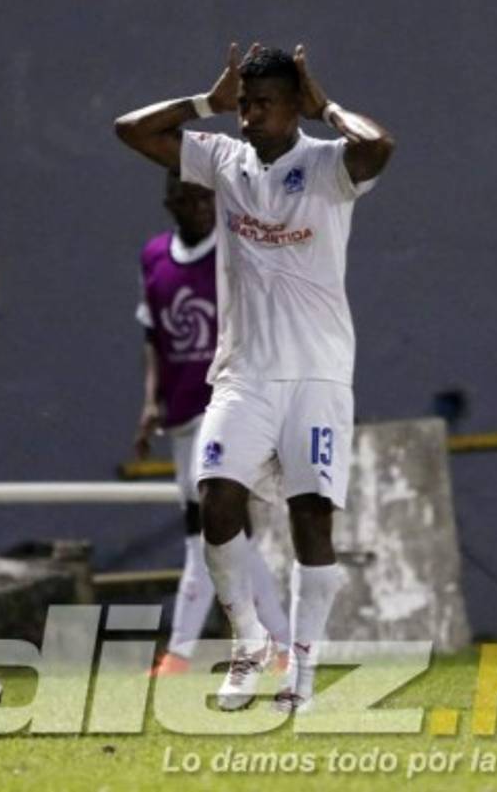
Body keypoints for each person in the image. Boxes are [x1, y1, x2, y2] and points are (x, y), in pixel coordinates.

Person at [115, 42, 393, 711]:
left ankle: (300, 671)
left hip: (320, 376)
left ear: (294, 105)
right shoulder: (223, 158)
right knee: (215, 499)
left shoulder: (328, 165)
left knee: (310, 520)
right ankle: (248, 642)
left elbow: (380, 144)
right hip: (244, 374)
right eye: (244, 104)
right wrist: (206, 101)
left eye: (264, 103)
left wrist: (325, 103)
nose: (250, 116)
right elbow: (132, 130)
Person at [134, 171, 290, 676]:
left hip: (225, 401)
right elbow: (155, 337)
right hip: (180, 411)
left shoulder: (235, 250)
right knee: (216, 535)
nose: (200, 207)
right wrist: (150, 403)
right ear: (170, 202)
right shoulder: (154, 256)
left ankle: (184, 652)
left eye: (207, 197)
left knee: (210, 524)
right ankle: (280, 643)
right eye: (189, 198)